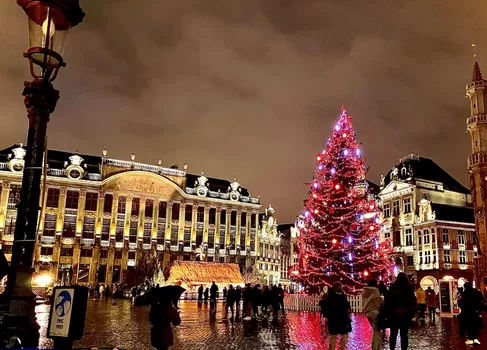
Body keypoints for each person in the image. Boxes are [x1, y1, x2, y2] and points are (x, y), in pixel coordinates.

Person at [385, 272, 416, 350]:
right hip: (406, 314)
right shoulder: (409, 288)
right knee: (404, 334)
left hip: (394, 314)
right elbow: (413, 301)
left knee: (393, 334)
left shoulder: (393, 287)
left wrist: (392, 310)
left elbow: (388, 300)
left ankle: (392, 348)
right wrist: (409, 310)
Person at [323, 281, 351, 350]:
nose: (340, 288)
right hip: (334, 319)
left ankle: (342, 348)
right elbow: (326, 307)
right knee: (333, 336)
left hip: (342, 319)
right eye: (339, 286)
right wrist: (327, 316)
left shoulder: (342, 294)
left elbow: (346, 304)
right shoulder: (330, 295)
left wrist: (348, 309)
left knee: (344, 335)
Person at [459, 281, 485, 346]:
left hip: (467, 312)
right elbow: (482, 301)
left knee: (468, 326)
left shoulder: (464, 293)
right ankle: (476, 338)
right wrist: (479, 310)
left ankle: (471, 339)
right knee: (475, 325)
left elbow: (461, 304)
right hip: (475, 312)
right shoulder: (477, 292)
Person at [362, 279, 382, 350]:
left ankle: (379, 348)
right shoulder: (376, 291)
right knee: (376, 332)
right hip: (375, 312)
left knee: (377, 331)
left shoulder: (364, 291)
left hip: (368, 312)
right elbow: (378, 302)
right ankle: (374, 348)